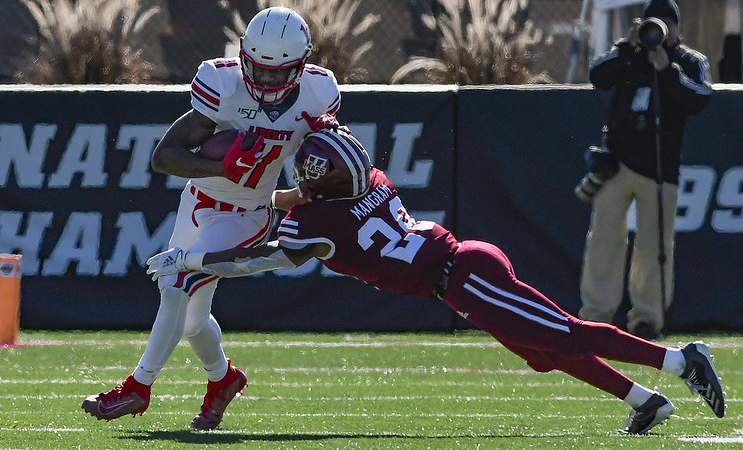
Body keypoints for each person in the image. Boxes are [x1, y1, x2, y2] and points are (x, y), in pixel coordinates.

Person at [146, 128, 726, 435]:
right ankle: (645, 402)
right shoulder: (367, 178)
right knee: (546, 354)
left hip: (464, 276)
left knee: (567, 335)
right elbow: (315, 191)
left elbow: (266, 260)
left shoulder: (317, 220)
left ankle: (681, 361)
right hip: (463, 269)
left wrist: (194, 262)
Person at [81, 6, 341, 430]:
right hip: (198, 202)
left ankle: (137, 388)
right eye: (259, 70)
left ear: (301, 65)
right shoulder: (222, 84)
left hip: (248, 215)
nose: (268, 81)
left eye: (279, 73)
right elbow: (164, 157)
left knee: (179, 281)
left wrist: (307, 191)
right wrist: (223, 167)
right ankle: (223, 379)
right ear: (243, 56)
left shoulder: (317, 94)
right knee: (190, 320)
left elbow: (325, 158)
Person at [578, 0, 712, 340]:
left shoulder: (688, 61)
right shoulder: (629, 54)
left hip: (660, 169)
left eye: (667, 24)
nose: (660, 31)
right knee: (605, 240)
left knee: (654, 246)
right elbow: (597, 75)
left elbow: (698, 97)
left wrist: (666, 69)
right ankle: (596, 316)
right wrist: (628, 45)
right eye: (655, 23)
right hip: (617, 164)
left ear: (677, 28)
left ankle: (647, 319)